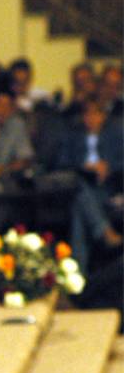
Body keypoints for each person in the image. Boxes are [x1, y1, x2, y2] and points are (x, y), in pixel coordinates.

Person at [57, 97, 123, 274]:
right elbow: (60, 165)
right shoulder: (72, 135)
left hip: (107, 189)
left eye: (96, 114)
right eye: (87, 114)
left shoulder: (116, 134)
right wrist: (83, 166)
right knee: (79, 186)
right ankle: (104, 231)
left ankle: (78, 277)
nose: (91, 118)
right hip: (80, 185)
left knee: (79, 209)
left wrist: (108, 167)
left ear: (104, 116)